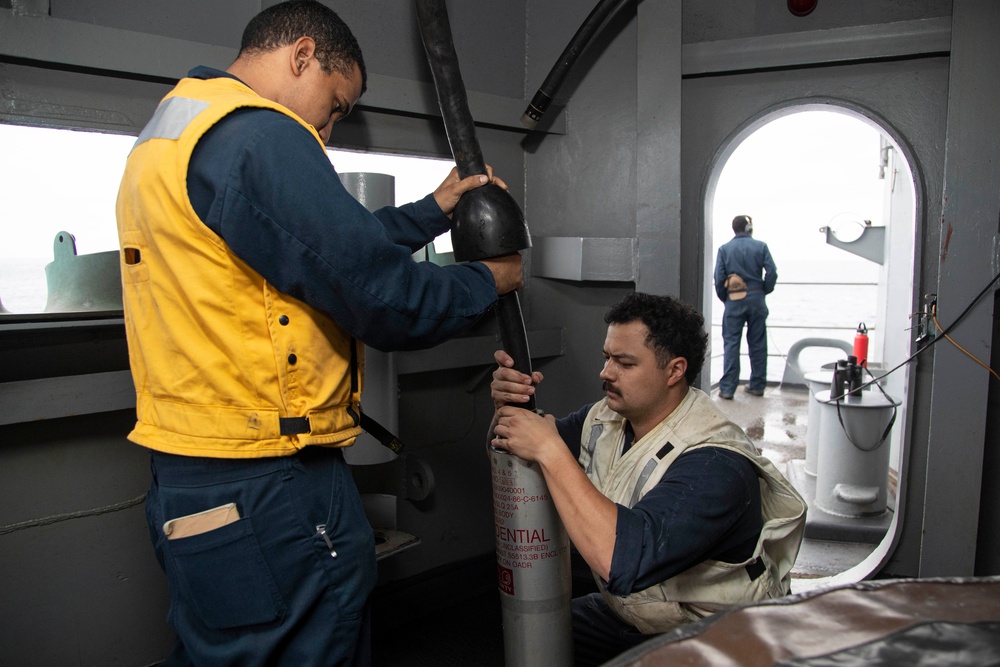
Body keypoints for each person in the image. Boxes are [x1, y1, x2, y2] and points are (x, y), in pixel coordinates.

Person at [115, 2, 522, 664]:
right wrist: (488, 281)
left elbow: (311, 251)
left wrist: (433, 211)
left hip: (188, 477)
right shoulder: (260, 136)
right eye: (334, 105)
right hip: (270, 482)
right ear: (301, 55)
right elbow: (382, 296)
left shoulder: (174, 133)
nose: (327, 132)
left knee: (225, 651)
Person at [489, 292, 805, 666]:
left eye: (624, 362)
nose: (606, 372)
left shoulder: (715, 464)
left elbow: (622, 561)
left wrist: (549, 449)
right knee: (530, 637)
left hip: (717, 634)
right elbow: (531, 441)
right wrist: (510, 406)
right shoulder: (604, 418)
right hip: (638, 614)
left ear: (674, 371)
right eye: (607, 357)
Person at [713, 214, 777, 399]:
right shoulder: (761, 246)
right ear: (749, 228)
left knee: (731, 343)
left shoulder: (724, 249)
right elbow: (772, 272)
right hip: (757, 299)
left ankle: (727, 389)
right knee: (758, 343)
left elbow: (719, 278)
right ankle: (757, 385)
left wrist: (726, 298)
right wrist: (764, 290)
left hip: (734, 300)